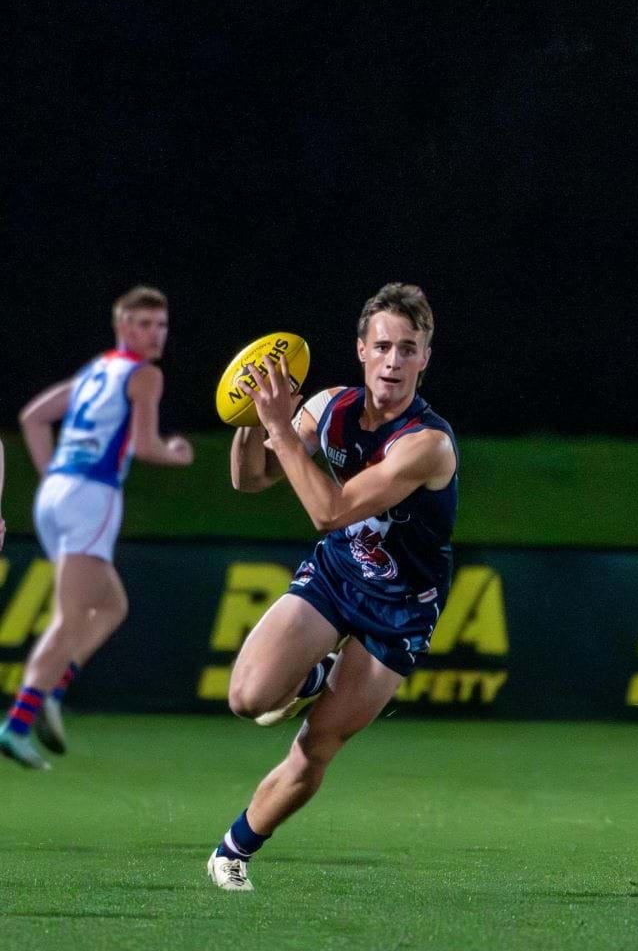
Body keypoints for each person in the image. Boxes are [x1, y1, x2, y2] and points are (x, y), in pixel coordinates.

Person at [208, 282, 458, 891]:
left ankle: (233, 851)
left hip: (401, 607)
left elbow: (330, 510)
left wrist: (280, 427)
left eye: (408, 349)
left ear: (425, 358)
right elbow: (250, 479)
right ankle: (316, 674)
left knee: (316, 745)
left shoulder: (426, 445)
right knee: (246, 699)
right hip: (339, 574)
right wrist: (254, 419)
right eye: (383, 346)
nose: (393, 361)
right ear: (361, 350)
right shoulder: (328, 407)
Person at [0, 286, 194, 770]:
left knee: (110, 606)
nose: (155, 334)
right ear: (122, 326)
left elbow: (33, 418)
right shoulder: (145, 375)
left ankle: (52, 689)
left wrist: (54, 477)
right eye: (144, 323)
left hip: (56, 496)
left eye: (161, 324)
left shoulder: (96, 370)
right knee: (70, 618)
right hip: (93, 497)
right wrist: (177, 454)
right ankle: (17, 723)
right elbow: (146, 446)